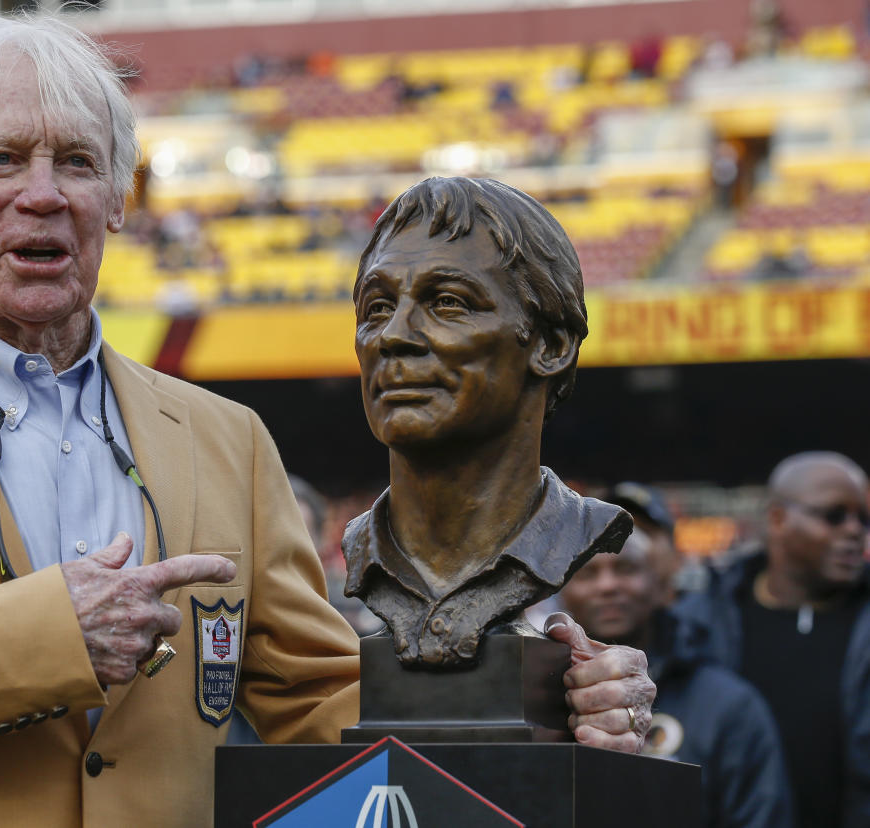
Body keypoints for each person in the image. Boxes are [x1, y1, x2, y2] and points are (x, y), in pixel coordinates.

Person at [0, 14, 653, 827]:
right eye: (2, 159)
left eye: (79, 162)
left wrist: (535, 695)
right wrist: (42, 640)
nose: (45, 193)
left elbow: (322, 699)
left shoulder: (222, 438)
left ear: (118, 200)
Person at [342, 176, 637, 677]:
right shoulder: (349, 554)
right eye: (378, 308)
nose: (393, 336)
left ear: (551, 345)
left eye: (447, 302)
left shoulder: (578, 533)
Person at [675, 451, 870, 828]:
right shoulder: (702, 622)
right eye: (834, 515)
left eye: (863, 518)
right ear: (778, 518)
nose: (854, 531)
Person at [562, 530, 795, 828]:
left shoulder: (729, 704)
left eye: (626, 569)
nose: (608, 585)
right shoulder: (539, 699)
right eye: (588, 573)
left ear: (660, 585)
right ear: (565, 590)